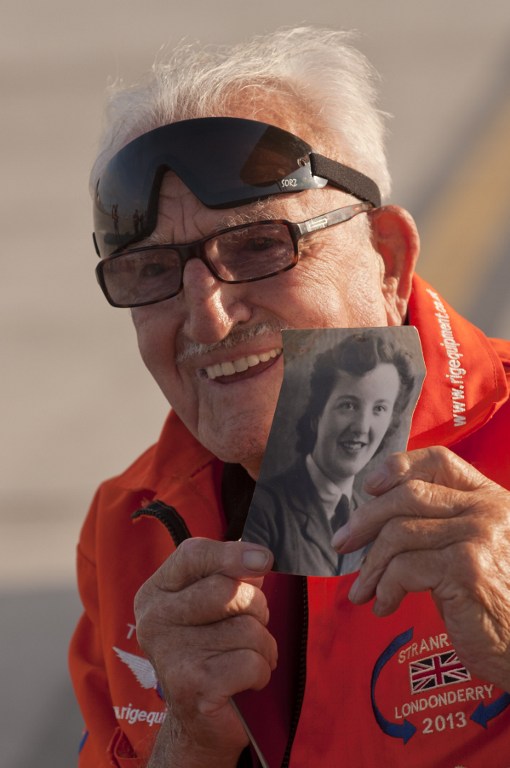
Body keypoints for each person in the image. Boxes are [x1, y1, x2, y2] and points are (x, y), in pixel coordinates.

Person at [68, 27, 510, 768]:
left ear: (388, 260)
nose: (208, 318)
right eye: (153, 271)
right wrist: (190, 741)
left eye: (259, 246)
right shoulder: (128, 527)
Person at [242, 331, 417, 576]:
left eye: (379, 409)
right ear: (317, 414)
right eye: (348, 405)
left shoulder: (375, 518)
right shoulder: (266, 510)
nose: (361, 427)